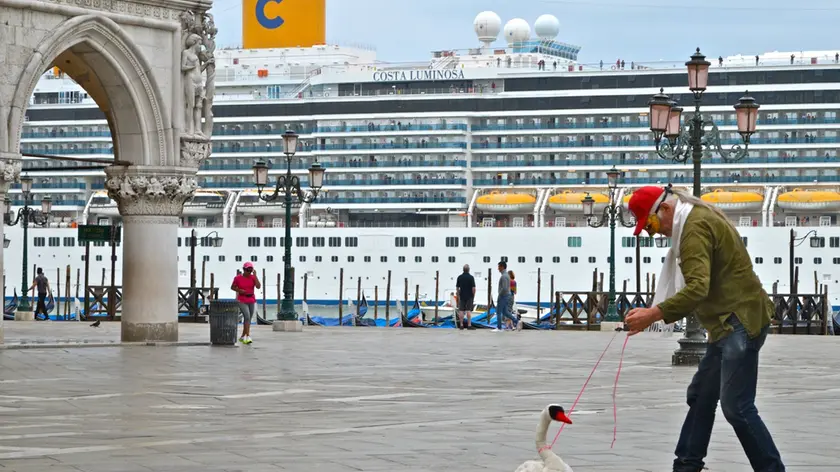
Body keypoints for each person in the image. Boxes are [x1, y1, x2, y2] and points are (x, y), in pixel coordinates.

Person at [623, 185, 785, 472]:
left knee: (737, 407)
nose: (654, 233)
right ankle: (686, 465)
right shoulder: (695, 219)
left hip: (739, 322)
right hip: (729, 324)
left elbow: (698, 288)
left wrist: (653, 314)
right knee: (701, 395)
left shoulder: (694, 229)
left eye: (649, 224)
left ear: (665, 209)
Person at [231, 262, 261, 344]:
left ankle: (242, 336)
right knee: (247, 316)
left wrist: (255, 276)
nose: (249, 272)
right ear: (244, 269)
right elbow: (232, 287)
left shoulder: (252, 277)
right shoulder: (237, 278)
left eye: (250, 270)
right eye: (248, 270)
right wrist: (240, 290)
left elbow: (258, 286)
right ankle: (247, 336)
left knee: (249, 318)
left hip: (251, 299)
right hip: (242, 299)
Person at [455, 264, 476, 330]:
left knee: (461, 310)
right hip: (469, 296)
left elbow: (457, 288)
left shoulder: (459, 277)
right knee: (468, 310)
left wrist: (458, 295)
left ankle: (461, 325)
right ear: (468, 270)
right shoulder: (471, 277)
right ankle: (469, 325)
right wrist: (473, 295)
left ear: (463, 269)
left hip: (462, 296)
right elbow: (473, 288)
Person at [495, 261, 511, 331]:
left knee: (498, 312)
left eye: (499, 267)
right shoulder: (506, 275)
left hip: (503, 296)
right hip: (507, 295)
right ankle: (517, 321)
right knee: (505, 312)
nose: (498, 268)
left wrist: (499, 295)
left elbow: (504, 288)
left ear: (502, 267)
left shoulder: (504, 276)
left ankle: (499, 328)